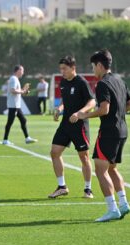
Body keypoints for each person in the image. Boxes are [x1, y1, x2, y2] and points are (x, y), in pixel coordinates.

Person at [76, 49, 130, 222]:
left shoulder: (103, 84)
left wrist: (84, 115)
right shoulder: (119, 80)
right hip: (123, 130)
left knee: (101, 171)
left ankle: (112, 209)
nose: (93, 70)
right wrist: (119, 113)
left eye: (94, 66)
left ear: (100, 66)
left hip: (109, 132)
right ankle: (124, 204)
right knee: (112, 168)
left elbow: (104, 109)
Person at [48, 56, 96, 199]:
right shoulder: (63, 82)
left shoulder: (81, 82)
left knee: (84, 157)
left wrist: (80, 113)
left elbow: (92, 102)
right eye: (60, 69)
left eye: (64, 68)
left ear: (73, 68)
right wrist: (60, 108)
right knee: (54, 152)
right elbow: (65, 99)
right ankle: (62, 186)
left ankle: (88, 189)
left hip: (79, 125)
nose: (62, 71)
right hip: (65, 124)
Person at [2, 65, 38, 145]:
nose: (23, 72)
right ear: (18, 70)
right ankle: (5, 140)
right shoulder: (14, 79)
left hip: (16, 106)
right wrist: (23, 91)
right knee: (10, 122)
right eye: (22, 70)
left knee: (23, 120)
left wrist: (23, 91)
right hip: (13, 105)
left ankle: (27, 138)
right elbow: (13, 90)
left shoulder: (15, 79)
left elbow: (16, 91)